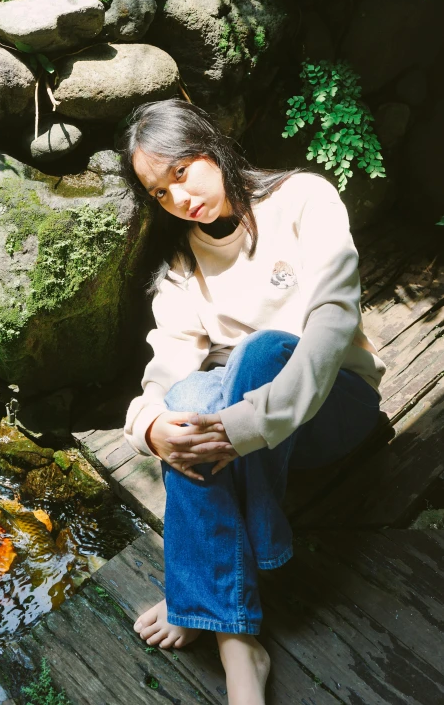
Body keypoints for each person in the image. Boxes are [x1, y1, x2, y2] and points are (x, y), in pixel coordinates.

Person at [117, 99, 386, 705]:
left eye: (182, 171)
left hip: (333, 405)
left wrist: (242, 426)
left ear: (212, 146)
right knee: (187, 396)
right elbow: (167, 368)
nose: (178, 199)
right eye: (160, 193)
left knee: (262, 352)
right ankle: (240, 648)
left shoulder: (302, 199)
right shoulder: (182, 263)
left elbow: (331, 323)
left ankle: (218, 575)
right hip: (247, 436)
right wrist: (152, 425)